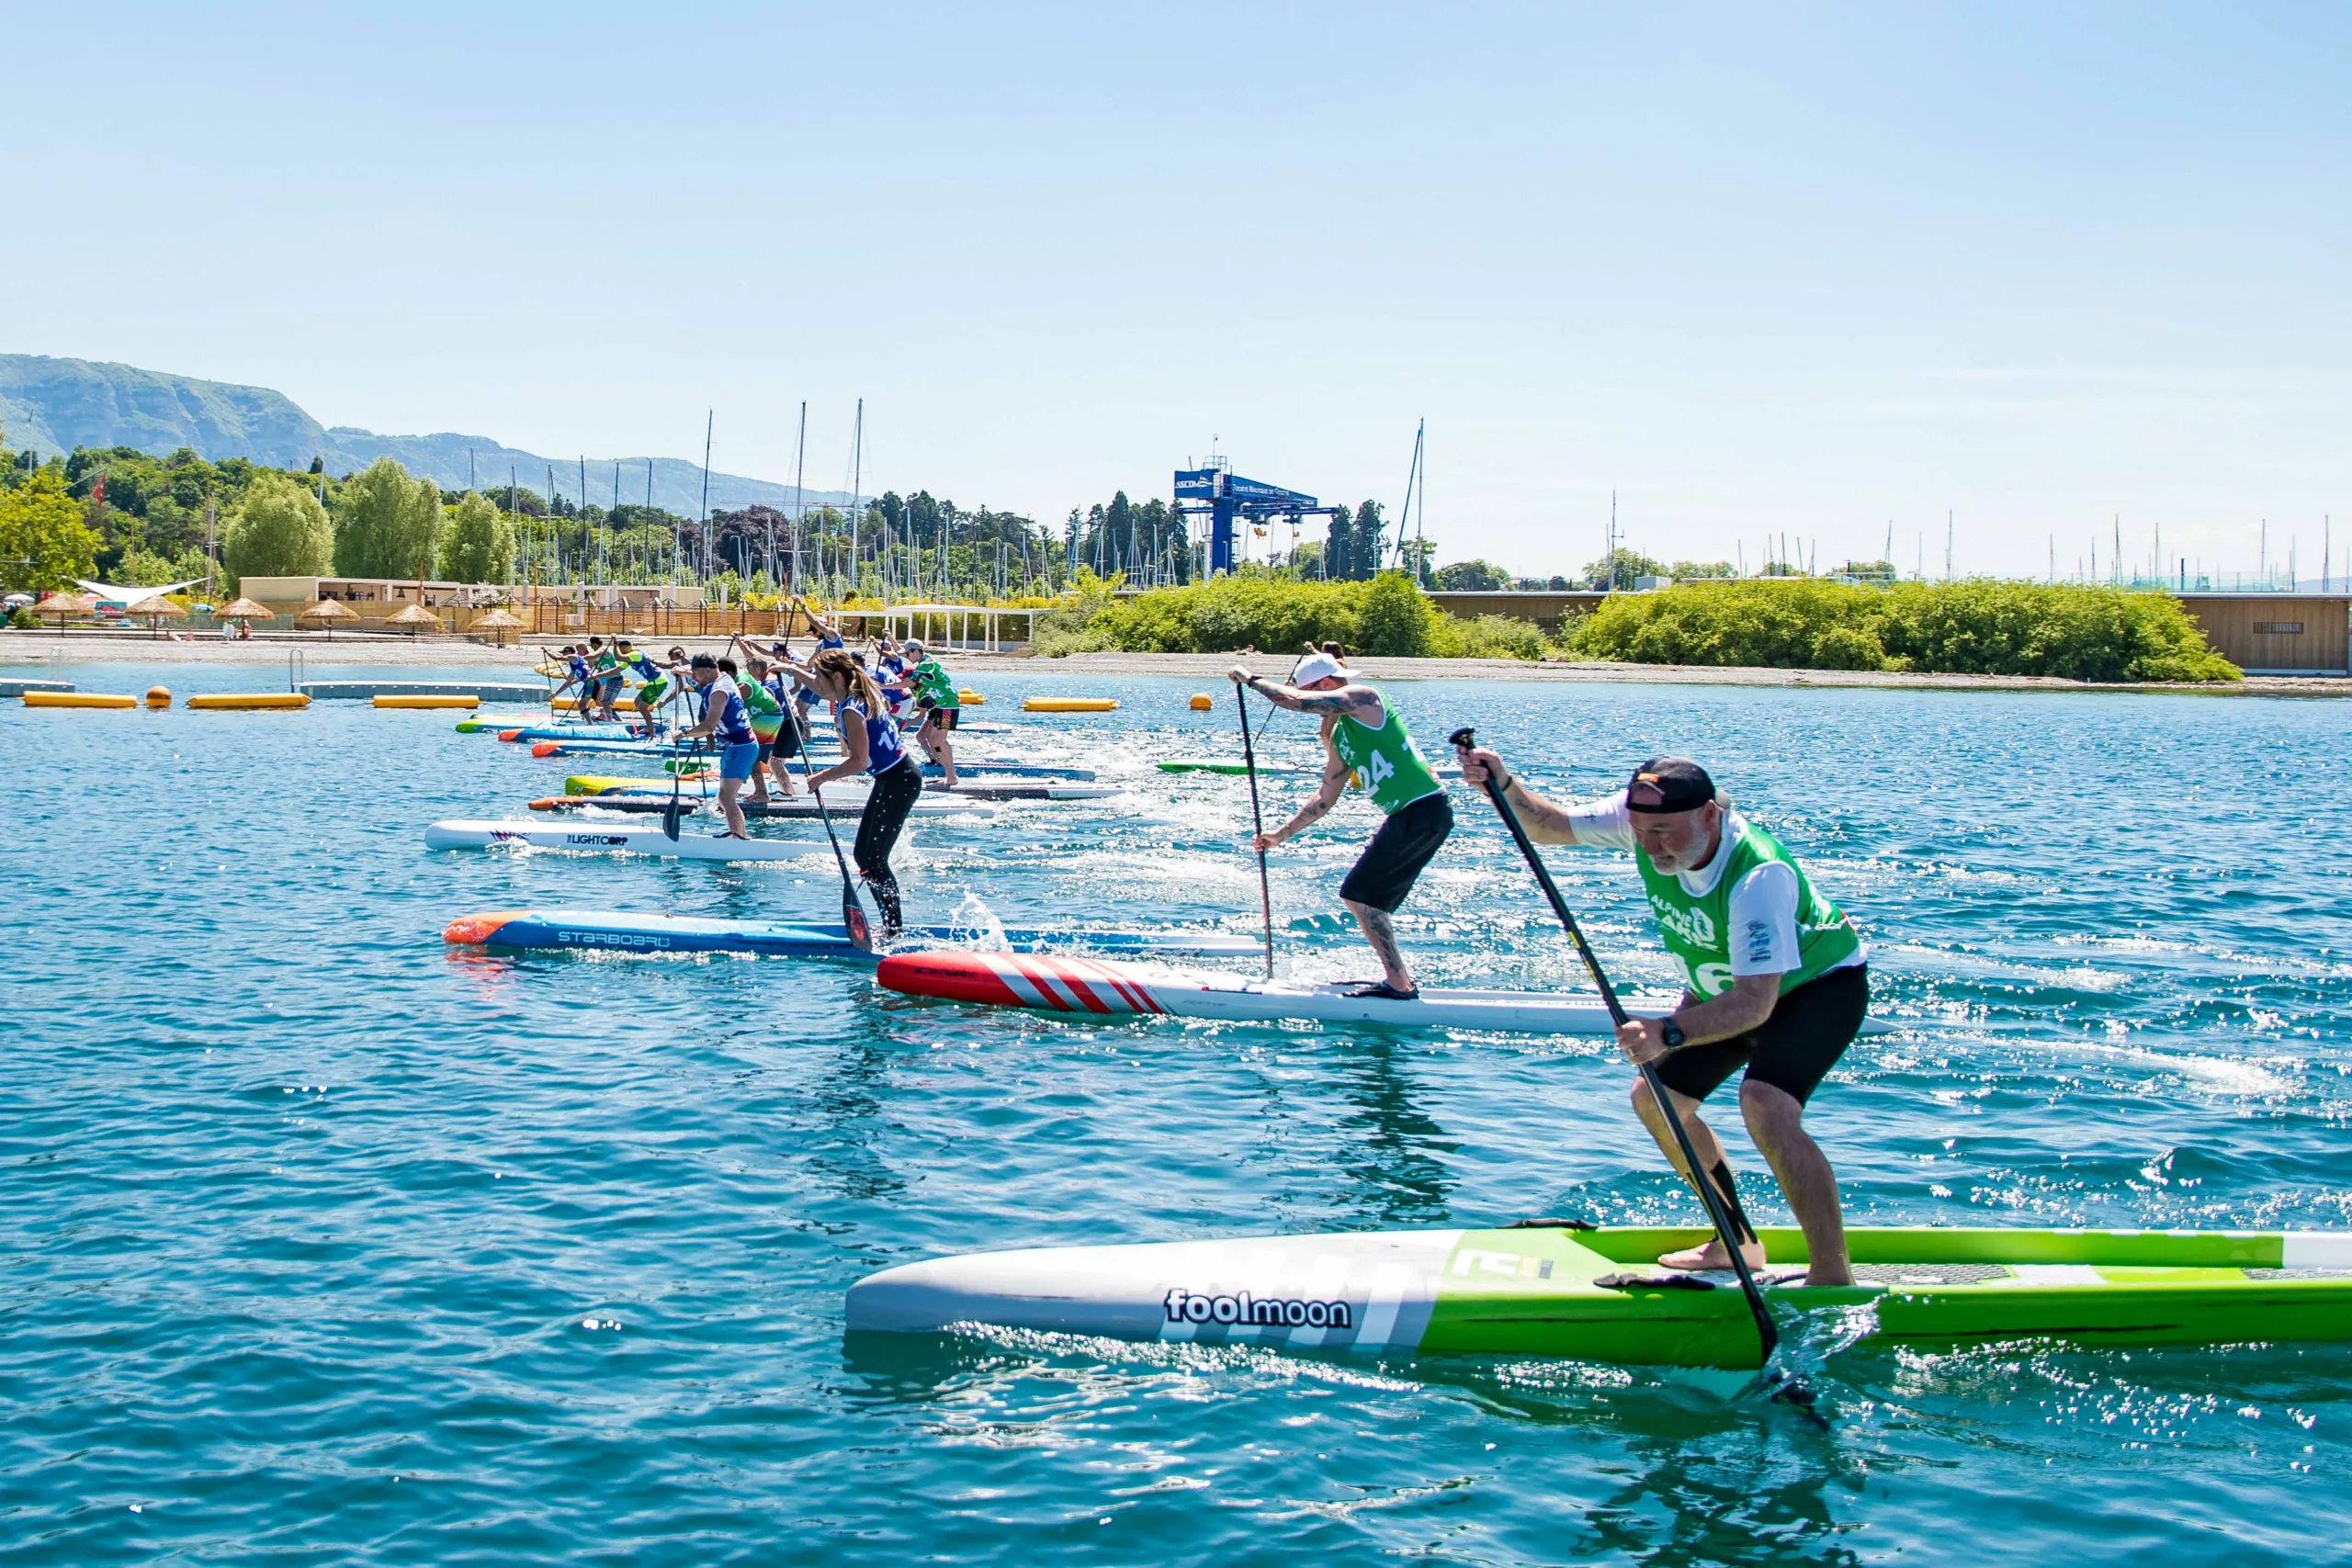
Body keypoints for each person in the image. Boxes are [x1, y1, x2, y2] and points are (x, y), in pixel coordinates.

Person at [1451, 746, 1868, 1288]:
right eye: (1641, 831)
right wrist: (1503, 784)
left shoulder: (1759, 876)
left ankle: (1832, 1274)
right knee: (1657, 1101)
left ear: (1709, 815)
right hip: (1722, 985)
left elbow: (1755, 1004)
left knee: (1766, 1107)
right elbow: (1547, 826)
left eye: (1664, 833)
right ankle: (1736, 1243)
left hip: (1814, 989)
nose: (1648, 847)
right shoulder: (1643, 817)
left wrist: (1667, 1031)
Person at [1227, 649, 1453, 1000]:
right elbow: (1324, 797)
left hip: (1424, 808)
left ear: (1326, 684)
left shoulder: (1364, 698)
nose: (1312, 699)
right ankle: (1398, 980)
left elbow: (1294, 701)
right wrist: (1279, 835)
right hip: (1406, 815)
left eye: (1312, 690)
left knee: (1360, 896)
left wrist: (1251, 679)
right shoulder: (1343, 738)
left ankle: (1399, 985)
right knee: (1361, 897)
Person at [802, 646, 924, 940]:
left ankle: (894, 929)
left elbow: (859, 761)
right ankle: (890, 925)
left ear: (837, 677)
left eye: (819, 676)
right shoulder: (857, 692)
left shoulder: (851, 709)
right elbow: (820, 689)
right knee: (863, 855)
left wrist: (822, 777)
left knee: (874, 859)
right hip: (890, 779)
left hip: (900, 779)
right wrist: (788, 669)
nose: (815, 683)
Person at [678, 652, 760, 839]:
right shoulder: (724, 677)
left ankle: (738, 840)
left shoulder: (719, 693)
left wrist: (683, 734)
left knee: (726, 798)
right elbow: (700, 678)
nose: (693, 678)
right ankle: (737, 837)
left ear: (708, 671)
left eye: (695, 673)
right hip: (737, 746)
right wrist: (682, 672)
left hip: (741, 747)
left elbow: (708, 727)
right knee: (726, 798)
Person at [899, 638, 960, 788]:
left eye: (908, 654)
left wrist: (881, 686)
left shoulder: (926, 664)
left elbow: (908, 683)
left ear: (916, 651)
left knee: (939, 740)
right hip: (941, 706)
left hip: (948, 706)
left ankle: (952, 775)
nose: (907, 657)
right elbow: (901, 653)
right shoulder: (924, 660)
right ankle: (946, 770)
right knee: (934, 740)